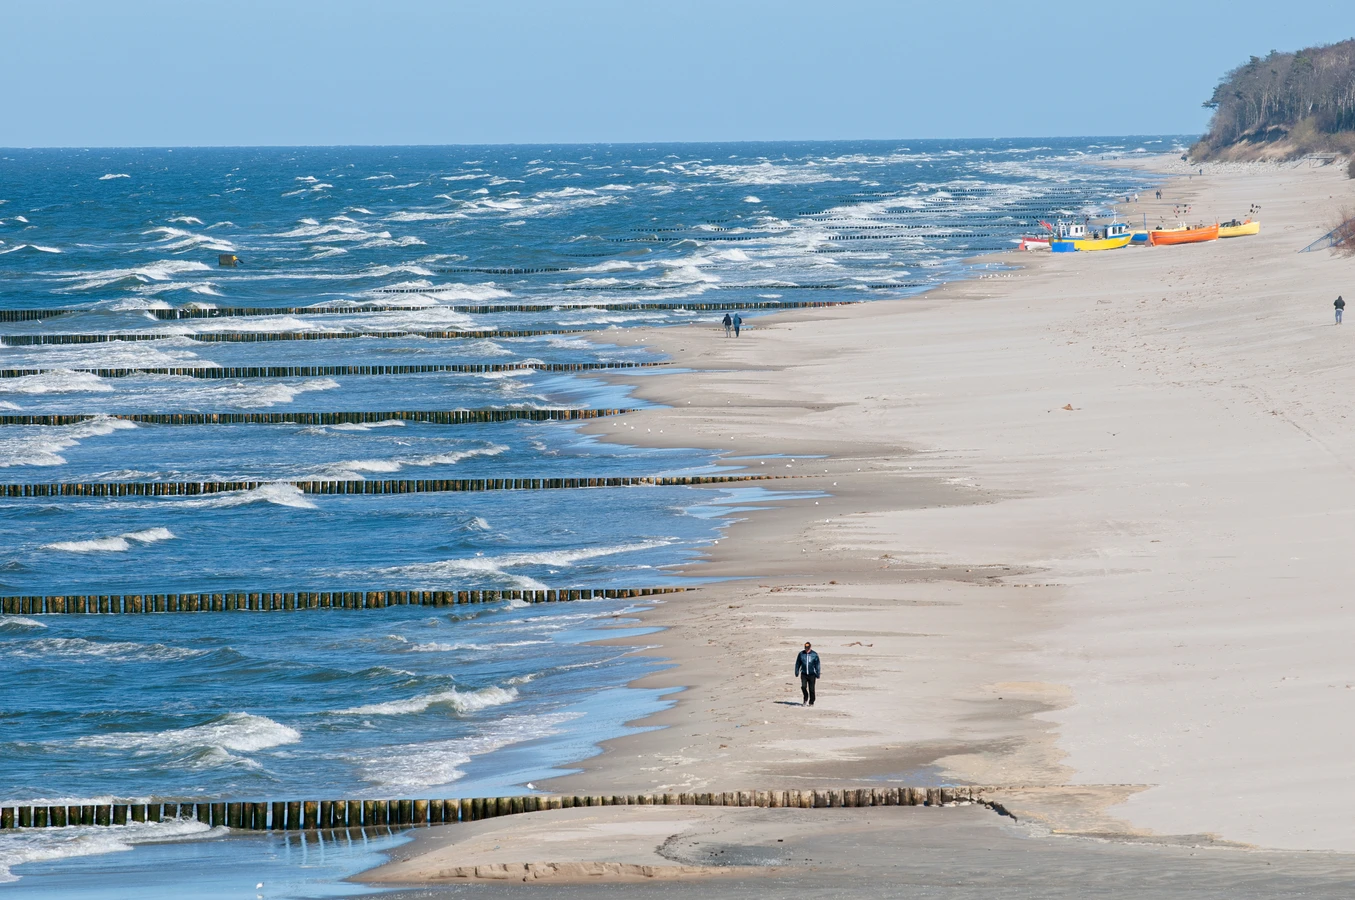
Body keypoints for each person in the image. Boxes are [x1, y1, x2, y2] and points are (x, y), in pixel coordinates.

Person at [794, 641, 820, 706]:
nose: (807, 649)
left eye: (808, 648)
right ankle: (805, 698)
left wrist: (818, 672)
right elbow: (798, 663)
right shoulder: (801, 654)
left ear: (810, 647)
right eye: (806, 648)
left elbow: (817, 664)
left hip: (812, 674)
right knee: (803, 687)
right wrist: (796, 671)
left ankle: (811, 702)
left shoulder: (814, 654)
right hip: (804, 673)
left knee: (811, 689)